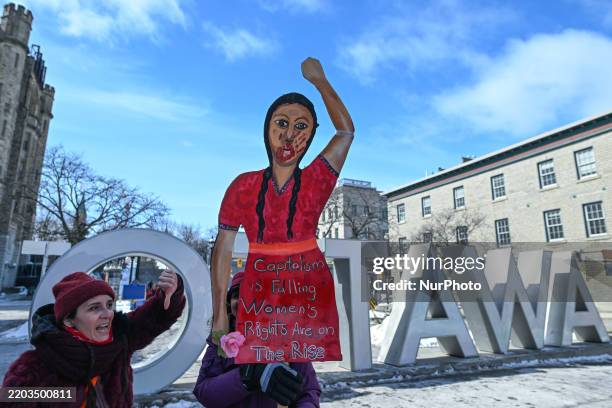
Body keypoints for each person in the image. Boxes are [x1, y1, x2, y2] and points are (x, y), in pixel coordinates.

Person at [3, 270, 185, 407]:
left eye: (109, 305)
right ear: (69, 320)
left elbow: (151, 319)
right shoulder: (33, 367)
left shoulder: (120, 339)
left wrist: (170, 296)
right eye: (94, 308)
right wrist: (72, 394)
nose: (107, 314)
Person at [194, 271, 321, 407]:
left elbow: (308, 392)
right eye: (237, 295)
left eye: (253, 295)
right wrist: (246, 376)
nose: (244, 301)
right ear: (229, 305)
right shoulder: (221, 340)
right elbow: (204, 393)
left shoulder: (289, 340)